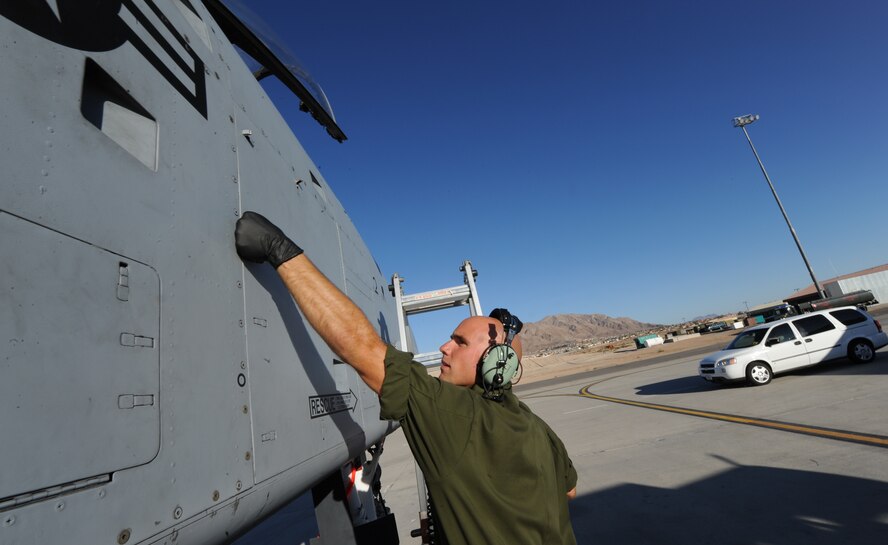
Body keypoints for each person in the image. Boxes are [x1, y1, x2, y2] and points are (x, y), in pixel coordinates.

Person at [235, 211, 577, 545]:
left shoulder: (457, 418)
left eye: (459, 342)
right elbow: (569, 489)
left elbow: (364, 350)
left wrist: (278, 249)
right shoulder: (537, 427)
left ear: (496, 364)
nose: (443, 347)